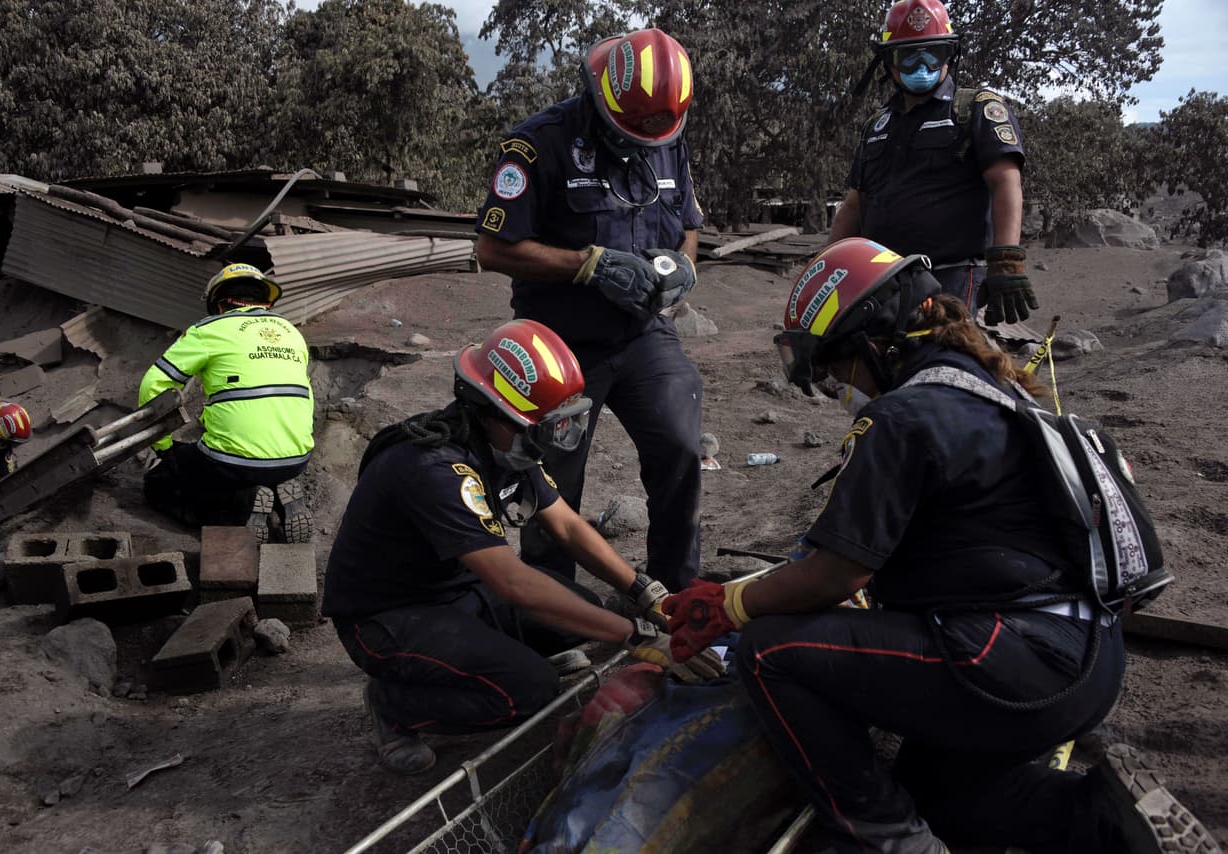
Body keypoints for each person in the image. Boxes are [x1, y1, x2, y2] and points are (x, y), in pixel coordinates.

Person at [659, 238, 1218, 853]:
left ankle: (889, 842)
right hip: (1091, 660)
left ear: (872, 342)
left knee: (770, 652)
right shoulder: (1000, 394)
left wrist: (730, 604)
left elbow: (835, 574)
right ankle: (1104, 819)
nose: (835, 386)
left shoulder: (904, 416)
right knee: (943, 797)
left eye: (834, 366)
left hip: (1014, 665)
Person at [322, 319, 722, 775]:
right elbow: (513, 583)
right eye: (547, 426)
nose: (554, 439)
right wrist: (633, 636)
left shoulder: (507, 444)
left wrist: (644, 592)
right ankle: (394, 705)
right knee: (529, 691)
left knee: (579, 611)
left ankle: (493, 659)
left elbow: (568, 527)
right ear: (494, 410)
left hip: (452, 591)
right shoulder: (433, 468)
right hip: (386, 617)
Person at [473, 28, 705, 593]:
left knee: (680, 446)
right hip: (559, 344)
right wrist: (587, 265)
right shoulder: (538, 145)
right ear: (599, 97)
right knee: (553, 484)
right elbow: (492, 247)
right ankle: (556, 622)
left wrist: (680, 270)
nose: (641, 142)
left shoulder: (664, 133)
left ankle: (675, 594)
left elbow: (690, 224)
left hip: (643, 334)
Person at [829, 0, 1037, 326]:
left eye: (932, 54)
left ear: (949, 55)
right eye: (907, 56)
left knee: (942, 364)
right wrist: (825, 270)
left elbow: (1005, 181)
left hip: (953, 277)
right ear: (888, 62)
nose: (920, 66)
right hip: (881, 281)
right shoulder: (876, 127)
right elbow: (855, 205)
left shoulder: (976, 110)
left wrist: (1006, 259)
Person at [138, 263, 314, 542]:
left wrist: (163, 448)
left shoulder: (208, 330)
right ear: (264, 301)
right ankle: (277, 498)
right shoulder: (291, 332)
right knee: (237, 462)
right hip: (296, 459)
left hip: (231, 462)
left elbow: (154, 384)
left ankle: (241, 508)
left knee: (161, 481)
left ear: (219, 305)